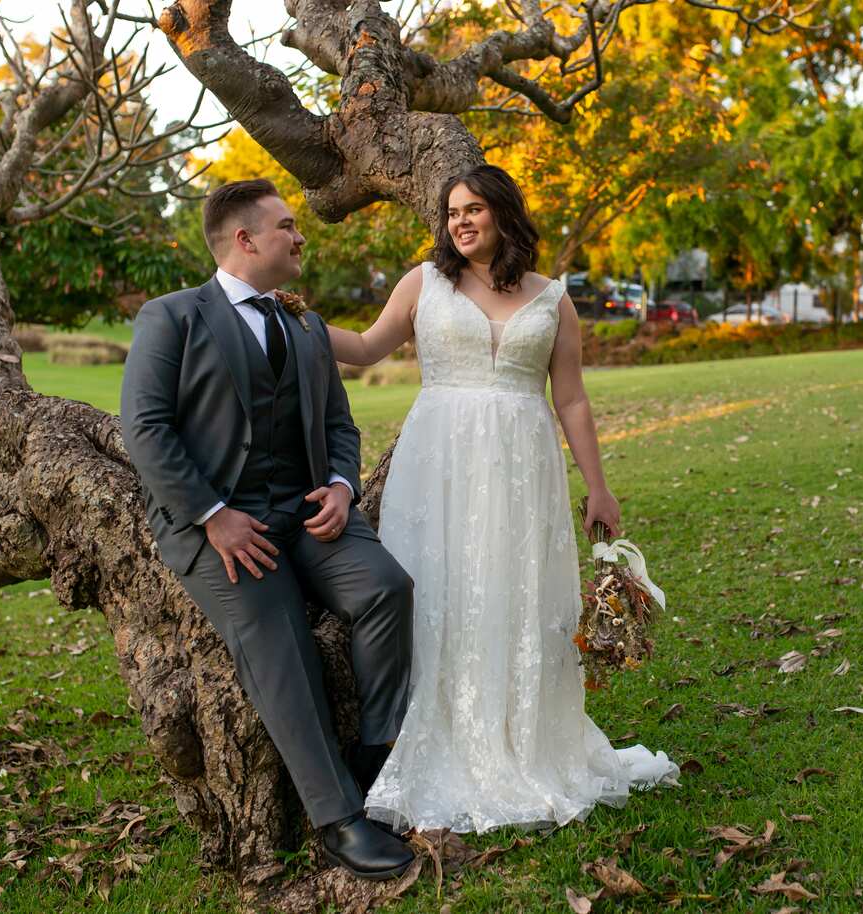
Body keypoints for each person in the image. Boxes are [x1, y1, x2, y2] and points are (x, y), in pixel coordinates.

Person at [326, 164, 677, 834]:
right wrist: (300, 324)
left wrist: (598, 485)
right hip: (441, 465)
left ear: (503, 214)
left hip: (522, 468)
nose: (459, 222)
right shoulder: (423, 283)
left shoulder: (553, 300)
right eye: (452, 212)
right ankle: (434, 732)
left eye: (473, 210)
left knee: (514, 592)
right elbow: (368, 348)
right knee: (440, 591)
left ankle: (521, 737)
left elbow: (570, 398)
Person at [120, 179, 415, 880]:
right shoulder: (173, 318)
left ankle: (375, 758)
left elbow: (340, 427)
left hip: (309, 517)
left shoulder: (306, 326)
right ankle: (339, 819)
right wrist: (214, 517)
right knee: (281, 643)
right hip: (218, 526)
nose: (300, 235)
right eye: (287, 225)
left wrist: (344, 489)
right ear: (245, 240)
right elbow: (146, 429)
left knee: (386, 588)